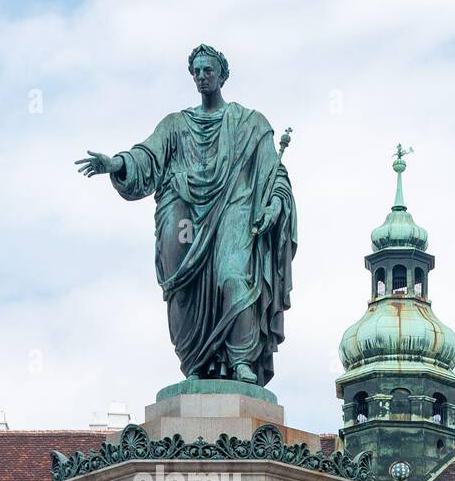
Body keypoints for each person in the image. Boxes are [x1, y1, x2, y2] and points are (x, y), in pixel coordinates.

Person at [76, 44, 295, 386]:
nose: (202, 76)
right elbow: (146, 157)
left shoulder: (251, 124)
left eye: (208, 70)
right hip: (183, 215)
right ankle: (195, 359)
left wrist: (275, 205)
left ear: (223, 75)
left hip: (234, 210)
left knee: (233, 277)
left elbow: (275, 175)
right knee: (182, 287)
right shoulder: (176, 125)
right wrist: (116, 164)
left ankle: (240, 361)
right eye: (197, 71)